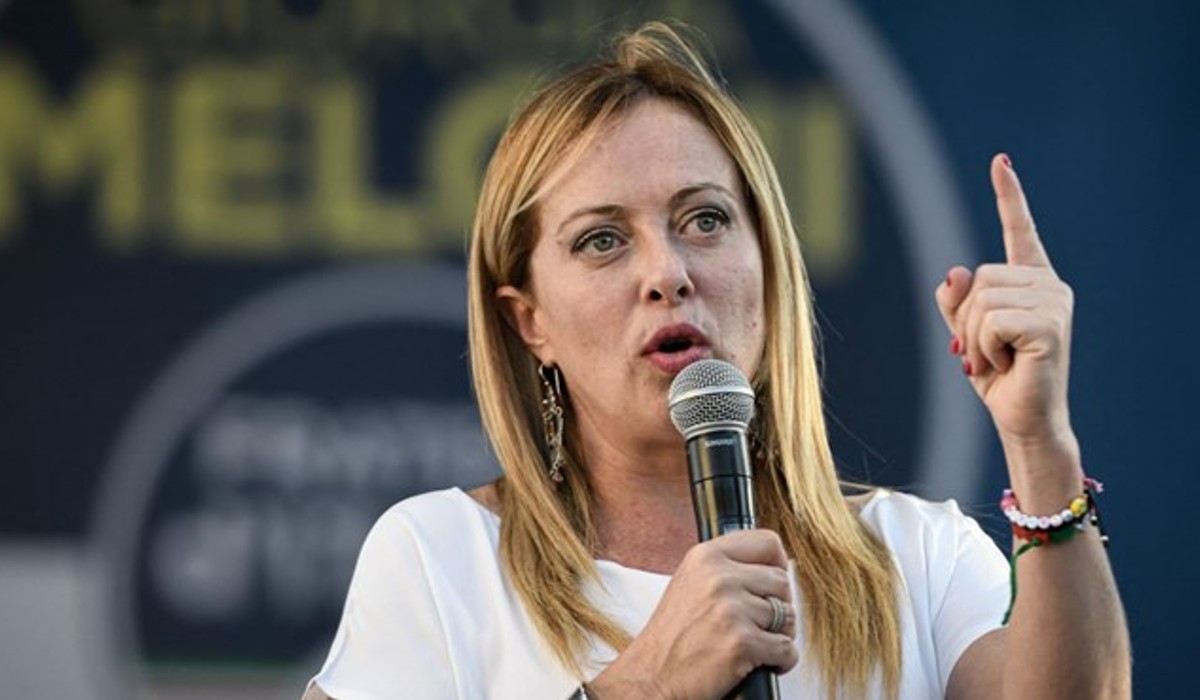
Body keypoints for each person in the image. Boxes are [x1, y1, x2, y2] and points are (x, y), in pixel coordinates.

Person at [305, 21, 1130, 700]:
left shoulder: (918, 557)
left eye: (704, 221)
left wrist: (1040, 445)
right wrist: (647, 687)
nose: (667, 273)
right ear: (530, 324)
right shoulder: (440, 560)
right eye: (602, 240)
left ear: (768, 264)